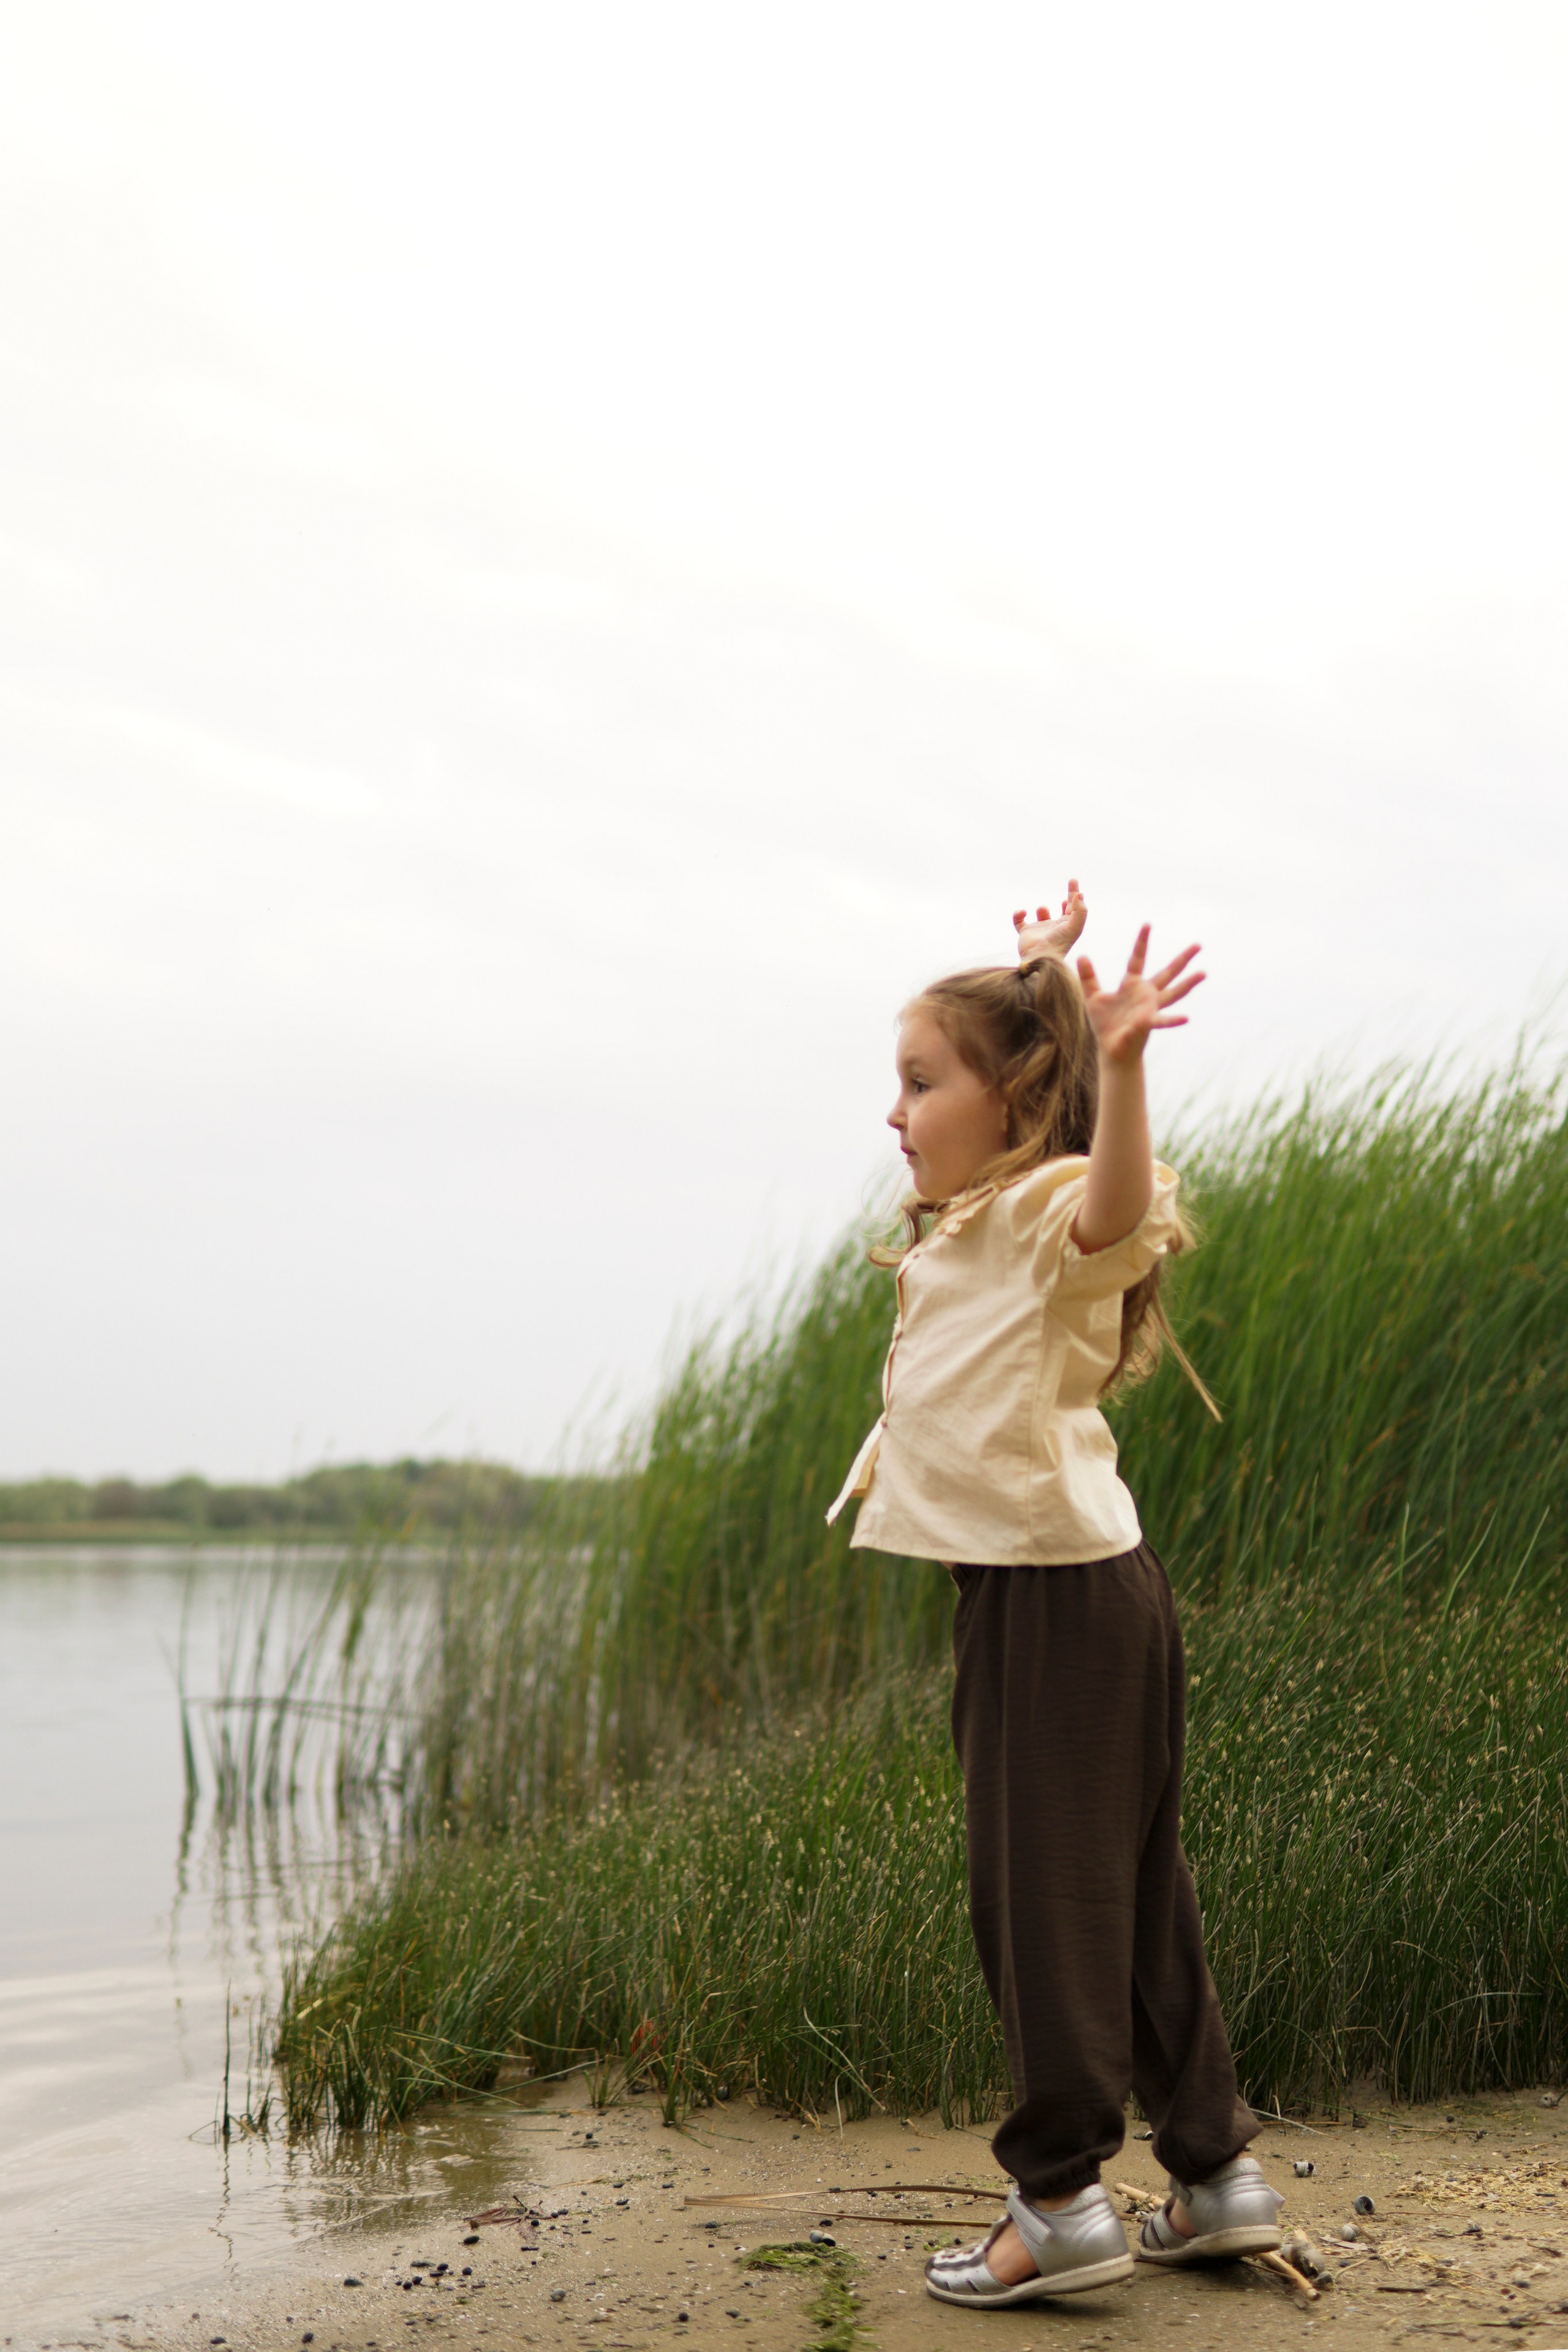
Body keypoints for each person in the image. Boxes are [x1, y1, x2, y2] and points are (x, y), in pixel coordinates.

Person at [826, 883, 1283, 2308]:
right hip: (1083, 1588)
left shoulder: (1037, 1211)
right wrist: (1052, 984)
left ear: (1012, 1093)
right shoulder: (966, 1226)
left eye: (917, 1081)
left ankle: (1059, 2203)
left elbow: (1111, 1211)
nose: (893, 1111)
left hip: (1052, 1600)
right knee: (1131, 1895)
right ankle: (1213, 2181)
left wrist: (1121, 1064)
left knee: (1037, 1907)